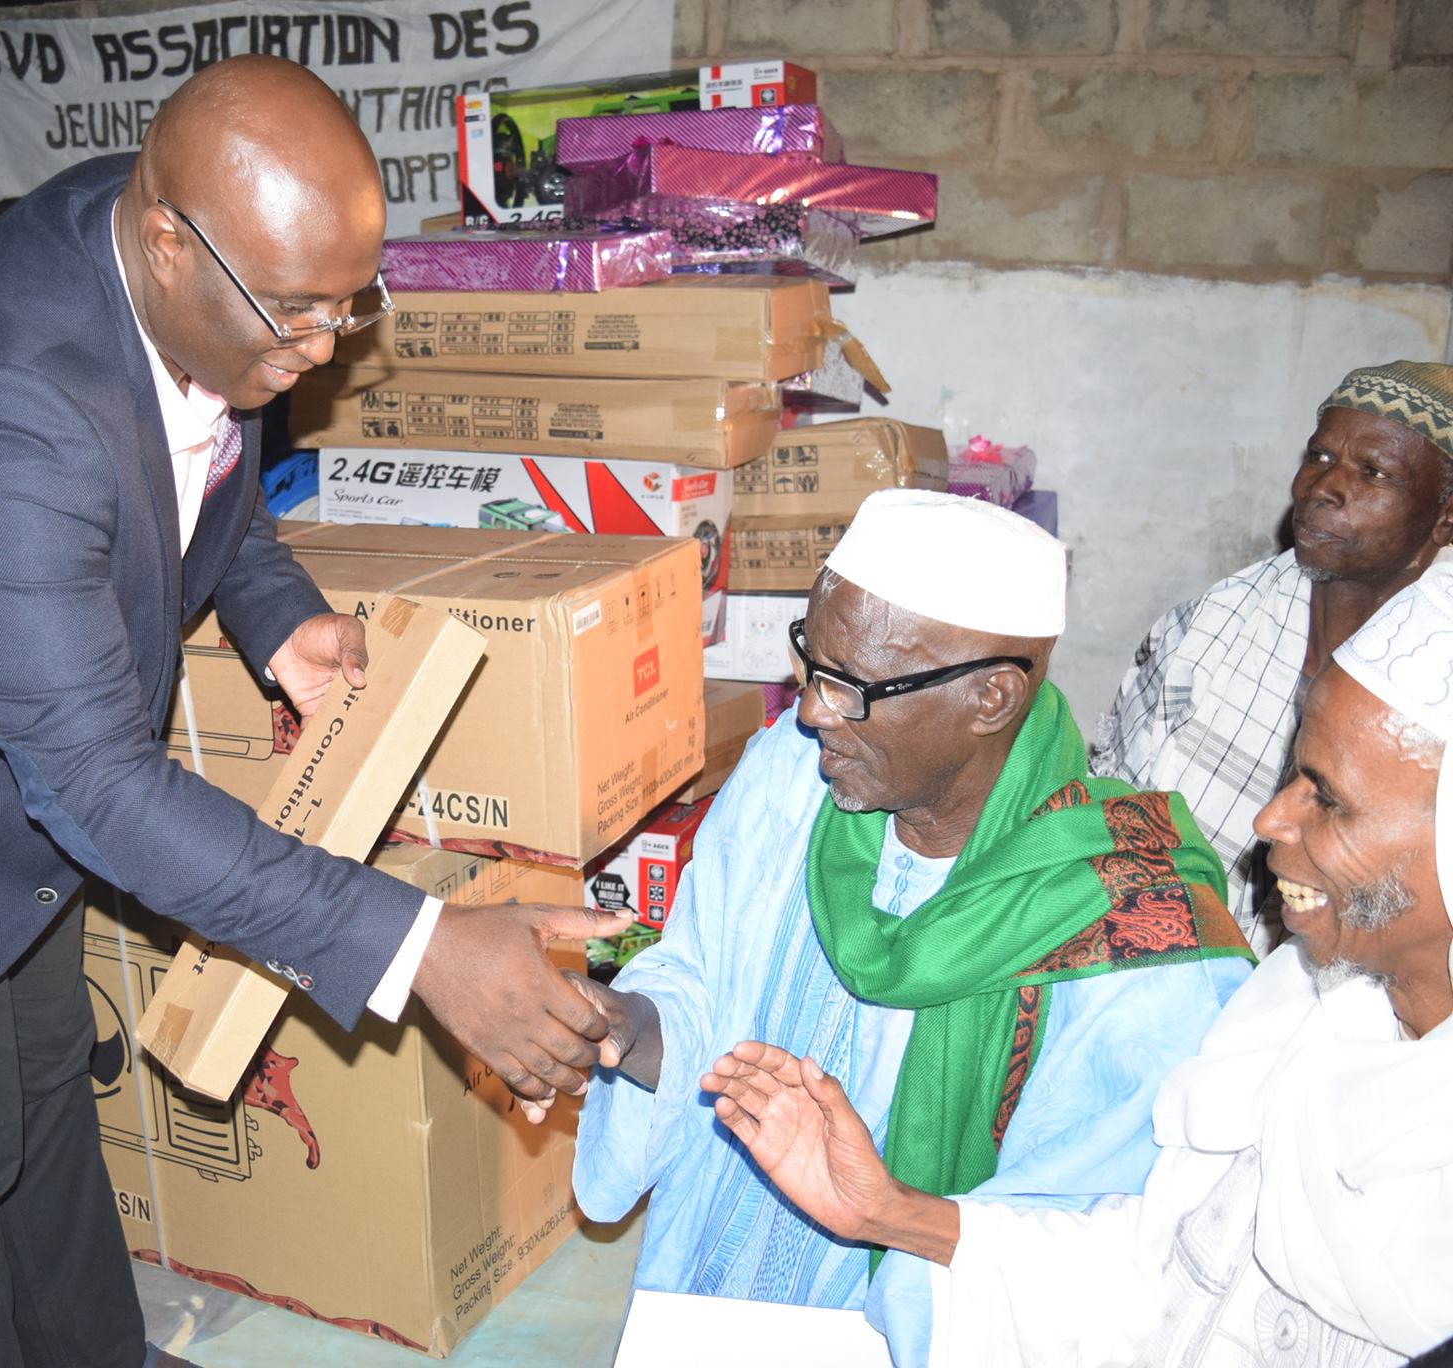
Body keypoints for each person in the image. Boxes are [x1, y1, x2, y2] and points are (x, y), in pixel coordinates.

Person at [0, 55, 623, 1368]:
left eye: (346, 309)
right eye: (298, 314)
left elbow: (204, 456)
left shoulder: (191, 260)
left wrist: (274, 607)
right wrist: (423, 948)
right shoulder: (11, 402)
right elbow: (94, 781)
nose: (317, 348)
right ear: (172, 244)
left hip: (3, 748)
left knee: (45, 1091)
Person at [705, 563, 1453, 1366]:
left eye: (1327, 798)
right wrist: (889, 1213)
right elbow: (1154, 1280)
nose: (1270, 820)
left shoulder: (1177, 959)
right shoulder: (1296, 1013)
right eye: (1293, 775)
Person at [570, 490, 1256, 1364]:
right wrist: (627, 1029)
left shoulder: (1131, 929)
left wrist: (887, 1212)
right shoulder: (795, 773)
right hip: (704, 1299)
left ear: (991, 699)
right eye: (809, 663)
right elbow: (703, 975)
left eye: (850, 686)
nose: (813, 710)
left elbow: (1091, 1256)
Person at [1095, 361, 1453, 954]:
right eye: (1319, 458)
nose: (1322, 489)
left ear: (1445, 515)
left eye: (1373, 472)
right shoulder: (1212, 625)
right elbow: (1114, 815)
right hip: (1160, 960)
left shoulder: (1437, 685)